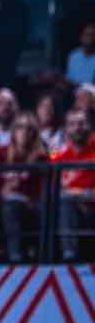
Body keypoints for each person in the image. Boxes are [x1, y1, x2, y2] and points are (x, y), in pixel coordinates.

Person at [0, 112, 46, 262]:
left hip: (32, 206)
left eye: (29, 128)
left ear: (35, 133)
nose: (24, 132)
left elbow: (43, 187)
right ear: (13, 131)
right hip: (2, 205)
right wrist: (2, 190)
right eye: (20, 127)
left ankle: (34, 254)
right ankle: (15, 256)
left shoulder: (42, 157)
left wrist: (24, 192)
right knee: (10, 205)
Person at [51, 109, 95, 261]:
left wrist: (80, 194)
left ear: (90, 126)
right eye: (72, 124)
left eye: (82, 123)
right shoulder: (59, 156)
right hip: (73, 210)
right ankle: (69, 255)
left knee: (67, 197)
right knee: (63, 199)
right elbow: (53, 188)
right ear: (66, 129)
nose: (77, 127)